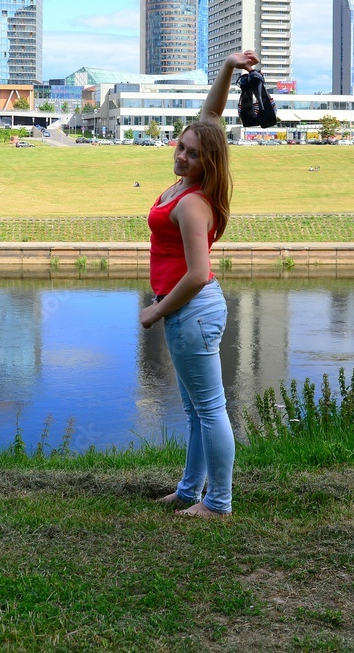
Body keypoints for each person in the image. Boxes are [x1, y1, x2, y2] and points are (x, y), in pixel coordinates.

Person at [140, 49, 259, 518]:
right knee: (196, 412)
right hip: (188, 310)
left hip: (191, 308)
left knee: (211, 411)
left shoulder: (192, 203)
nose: (183, 155)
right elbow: (209, 118)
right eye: (181, 147)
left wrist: (156, 310)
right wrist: (228, 68)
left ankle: (219, 502)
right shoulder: (189, 180)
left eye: (192, 154)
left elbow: (195, 273)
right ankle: (190, 491)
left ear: (206, 162)